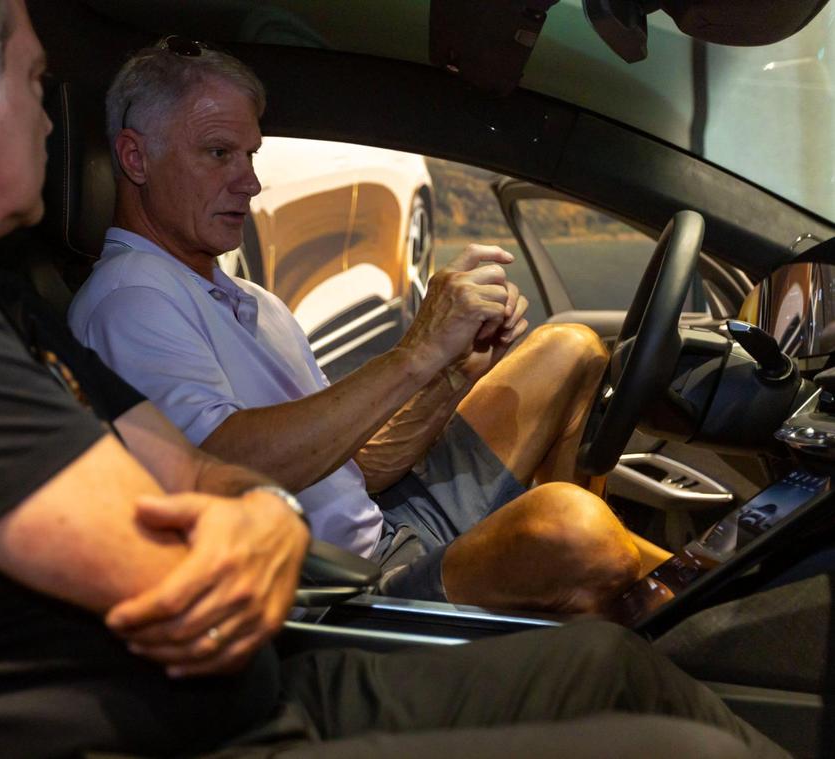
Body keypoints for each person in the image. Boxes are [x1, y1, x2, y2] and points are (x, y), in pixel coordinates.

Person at [0, 1, 785, 756]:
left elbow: (210, 481)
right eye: (36, 79)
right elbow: (172, 555)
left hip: (273, 685)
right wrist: (254, 515)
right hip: (221, 731)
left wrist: (258, 519)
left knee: (608, 667)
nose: (54, 121)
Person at [69, 39, 667, 613]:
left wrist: (454, 373)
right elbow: (218, 471)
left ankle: (611, 601)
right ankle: (679, 592)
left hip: (386, 530)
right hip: (346, 597)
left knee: (572, 349)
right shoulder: (130, 299)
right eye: (219, 153)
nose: (249, 181)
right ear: (134, 157)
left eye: (250, 155)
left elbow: (355, 467)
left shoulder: (244, 298)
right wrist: (418, 352)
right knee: (572, 528)